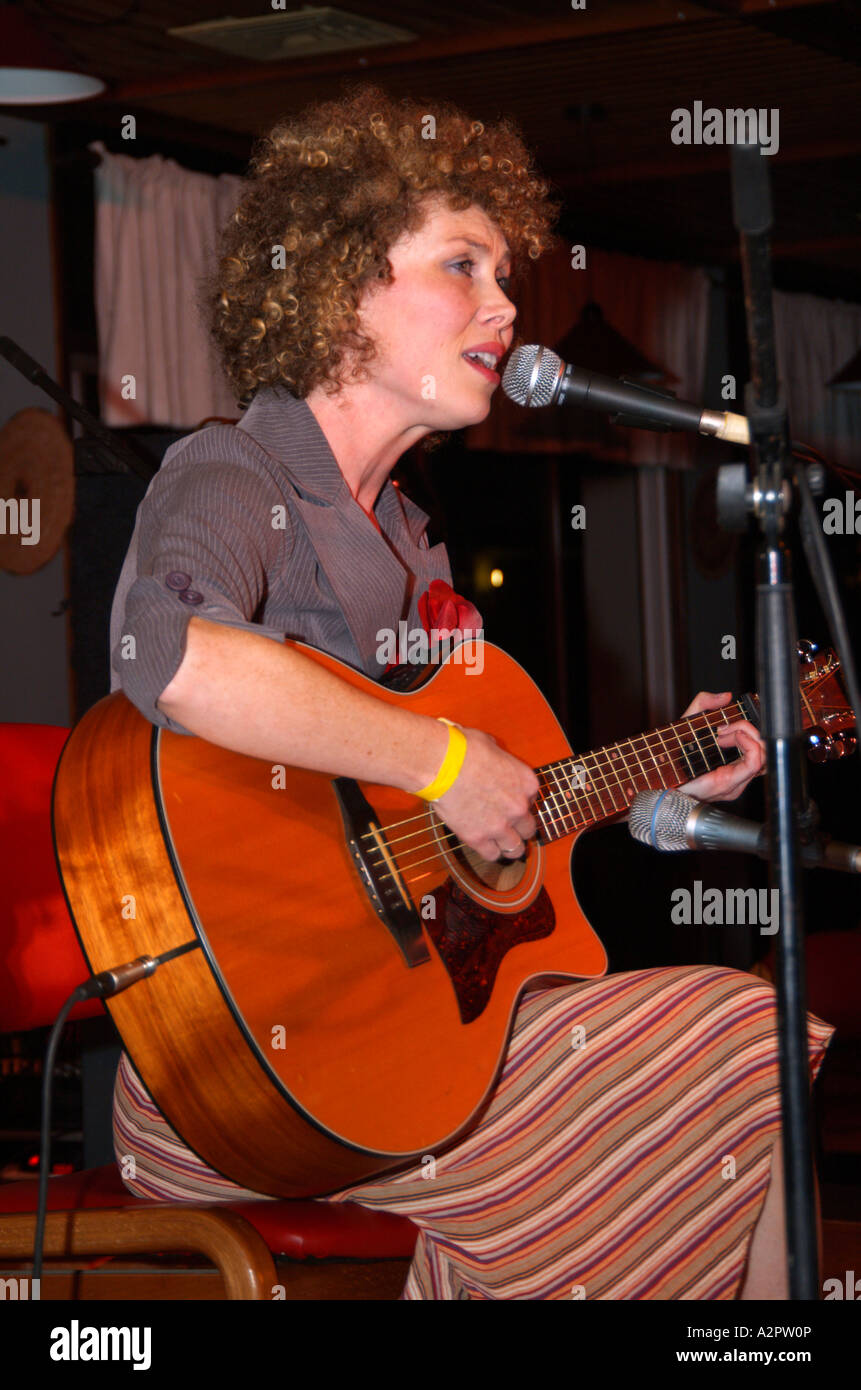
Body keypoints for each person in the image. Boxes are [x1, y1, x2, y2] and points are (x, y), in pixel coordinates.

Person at [109, 84, 832, 1300]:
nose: (506, 306)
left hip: (391, 1059)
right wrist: (446, 763)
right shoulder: (236, 468)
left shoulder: (413, 545)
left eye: (506, 273)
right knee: (744, 1041)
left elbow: (453, 850)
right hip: (230, 1075)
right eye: (463, 265)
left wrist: (652, 789)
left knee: (746, 1057)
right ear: (342, 286)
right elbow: (168, 655)